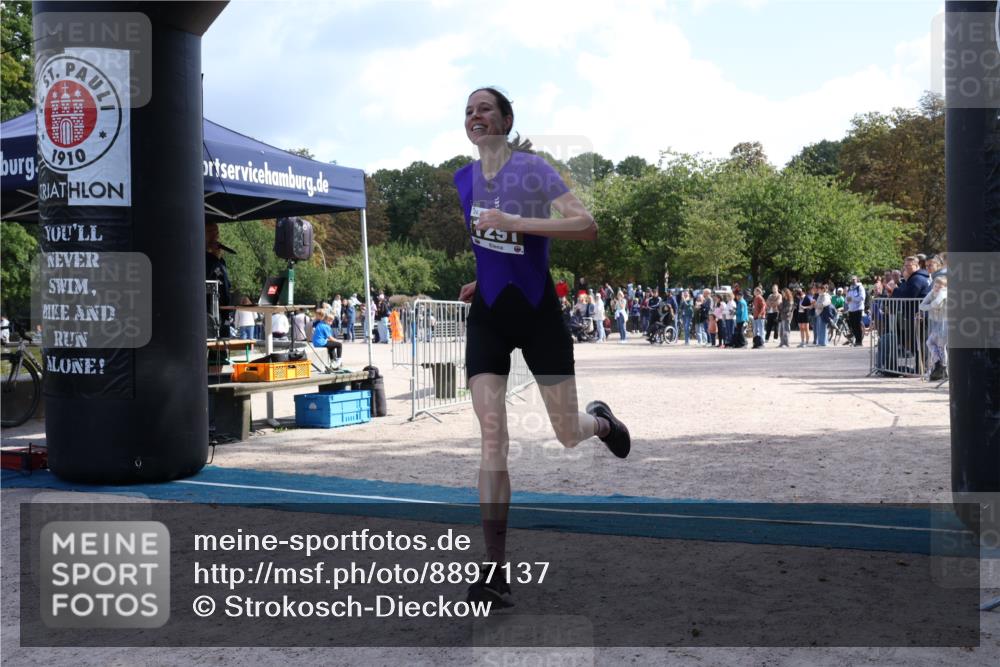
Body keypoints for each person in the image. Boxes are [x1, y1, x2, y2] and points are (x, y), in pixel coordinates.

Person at [454, 86, 630, 609]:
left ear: (506, 120)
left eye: (484, 108)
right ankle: (495, 570)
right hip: (488, 314)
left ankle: (600, 421)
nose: (475, 116)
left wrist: (517, 223)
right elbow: (490, 245)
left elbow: (586, 226)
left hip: (537, 315)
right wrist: (479, 277)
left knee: (566, 432)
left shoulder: (533, 169)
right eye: (468, 111)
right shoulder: (462, 180)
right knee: (492, 439)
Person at [205, 222, 233, 338]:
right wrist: (214, 256)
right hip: (209, 312)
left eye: (216, 232)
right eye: (210, 231)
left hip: (223, 311)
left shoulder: (220, 261)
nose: (215, 235)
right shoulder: (200, 257)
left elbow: (225, 283)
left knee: (223, 346)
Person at [920, 276, 948, 381]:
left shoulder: (944, 292)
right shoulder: (932, 292)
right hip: (937, 322)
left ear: (944, 287)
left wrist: (930, 306)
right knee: (930, 342)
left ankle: (943, 367)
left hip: (946, 322)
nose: (937, 288)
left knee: (941, 346)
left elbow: (937, 303)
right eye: (936, 286)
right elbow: (922, 305)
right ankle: (938, 363)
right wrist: (931, 306)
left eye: (940, 287)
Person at [845, 275, 865, 346]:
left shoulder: (860, 287)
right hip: (851, 309)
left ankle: (859, 341)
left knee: (857, 325)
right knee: (853, 326)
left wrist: (852, 299)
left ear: (857, 279)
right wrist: (847, 300)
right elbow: (847, 298)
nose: (853, 280)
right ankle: (856, 340)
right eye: (852, 279)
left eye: (854, 279)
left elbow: (862, 298)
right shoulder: (850, 288)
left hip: (858, 309)